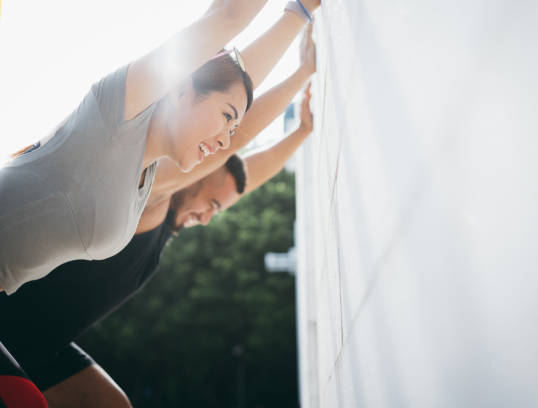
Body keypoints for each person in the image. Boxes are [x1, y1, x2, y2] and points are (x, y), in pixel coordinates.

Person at [0, 84, 314, 407]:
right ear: (196, 173)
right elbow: (238, 137)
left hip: (42, 343)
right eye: (212, 204)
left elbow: (247, 179)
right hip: (8, 321)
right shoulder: (150, 200)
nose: (207, 218)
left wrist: (302, 130)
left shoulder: (167, 229)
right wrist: (303, 72)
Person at [0, 0, 320, 295]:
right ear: (182, 90)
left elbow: (232, 94)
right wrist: (301, 11)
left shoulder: (144, 178)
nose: (226, 138)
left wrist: (298, 19)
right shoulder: (112, 118)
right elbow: (226, 19)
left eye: (231, 126)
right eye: (225, 118)